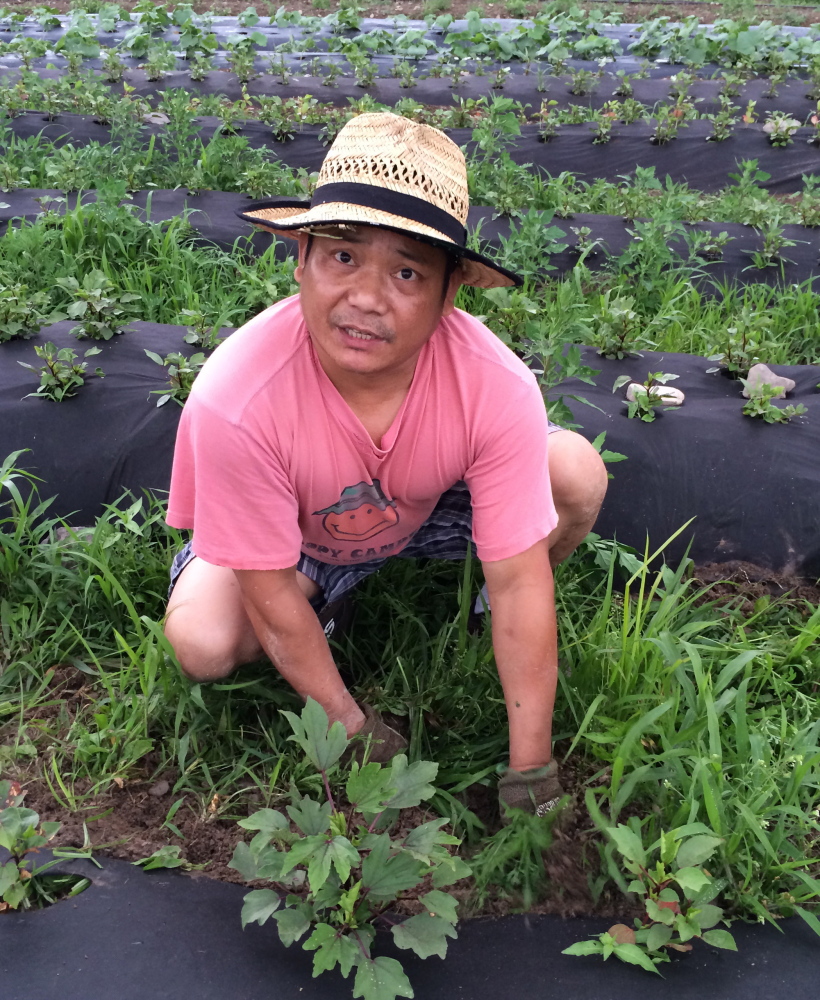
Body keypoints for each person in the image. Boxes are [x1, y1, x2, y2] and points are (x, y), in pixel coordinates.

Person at [162, 112, 607, 819]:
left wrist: (532, 771)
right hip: (300, 538)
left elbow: (525, 584)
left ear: (447, 295)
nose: (367, 299)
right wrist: (351, 726)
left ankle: (471, 605)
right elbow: (269, 598)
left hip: (429, 507)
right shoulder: (237, 400)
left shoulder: (492, 384)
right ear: (300, 257)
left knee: (576, 474)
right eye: (343, 257)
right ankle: (335, 596)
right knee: (203, 644)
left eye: (406, 271)